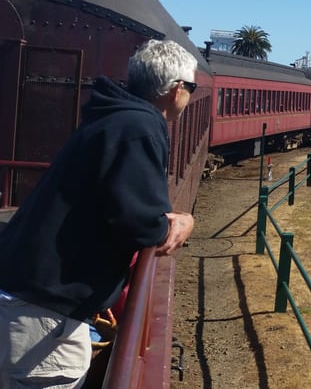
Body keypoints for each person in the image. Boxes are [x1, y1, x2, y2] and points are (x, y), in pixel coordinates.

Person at [0, 39, 197, 387]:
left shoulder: (112, 116)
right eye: (191, 89)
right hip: (43, 316)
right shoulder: (139, 127)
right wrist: (183, 222)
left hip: (22, 299)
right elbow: (142, 227)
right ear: (176, 89)